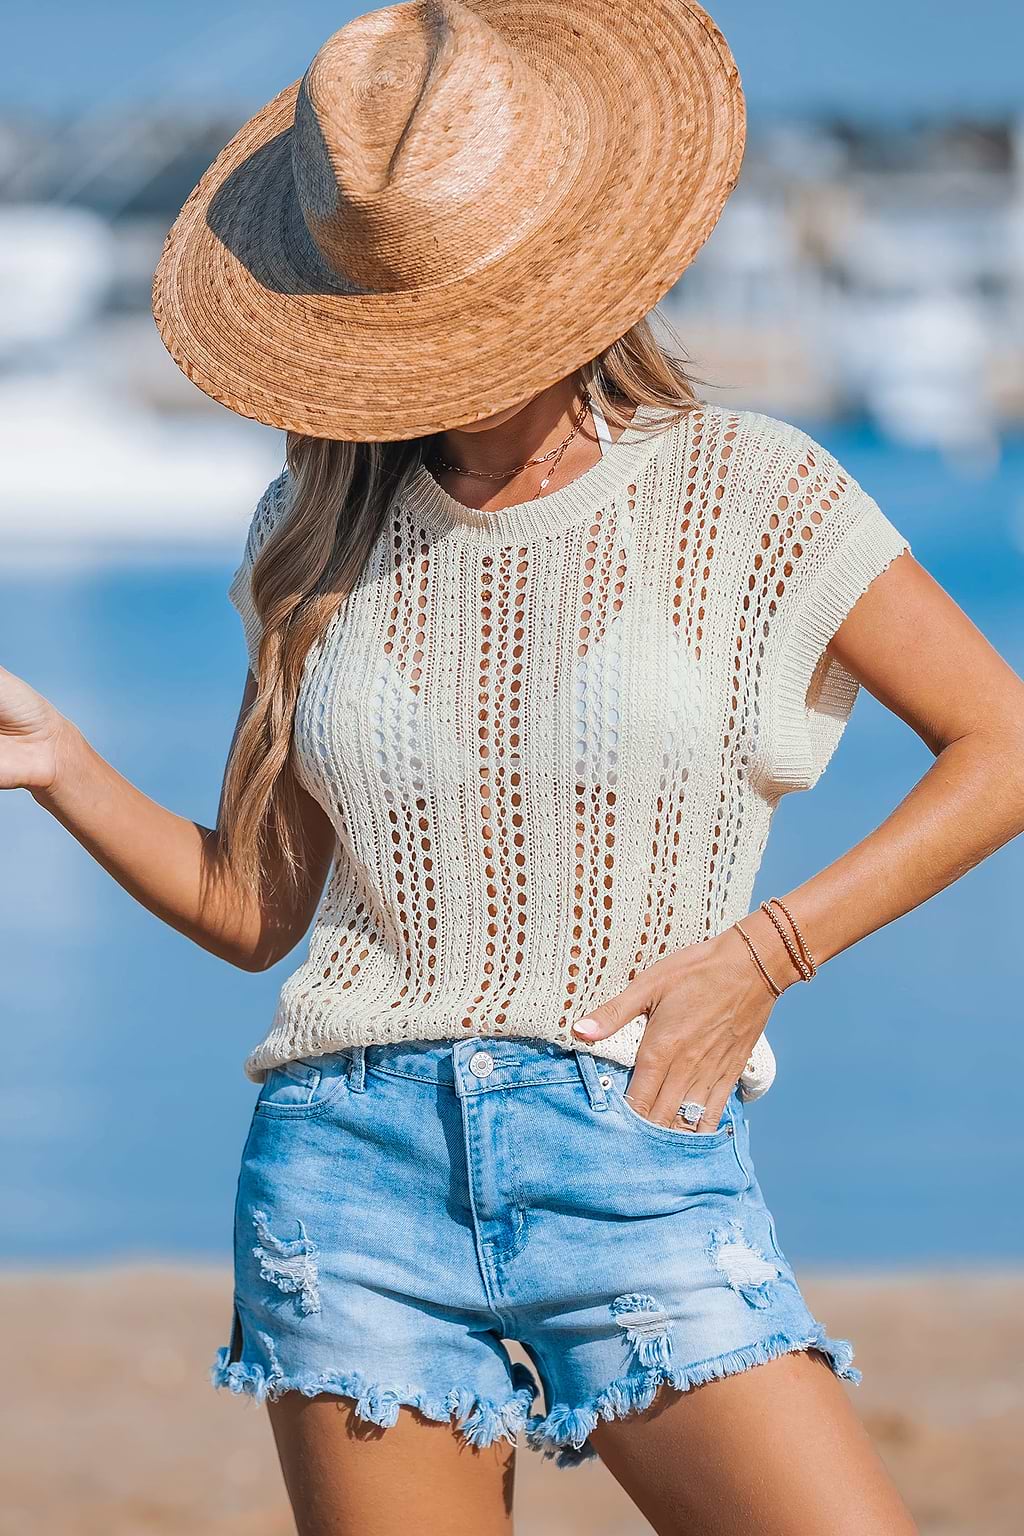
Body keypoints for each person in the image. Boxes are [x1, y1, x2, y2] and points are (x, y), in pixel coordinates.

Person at [9, 4, 1024, 1533]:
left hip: (633, 1152)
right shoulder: (317, 536)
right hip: (345, 1181)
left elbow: (1002, 743)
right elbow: (252, 909)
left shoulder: (750, 490)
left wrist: (767, 955)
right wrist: (63, 763)